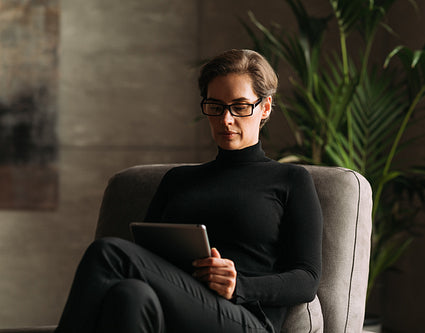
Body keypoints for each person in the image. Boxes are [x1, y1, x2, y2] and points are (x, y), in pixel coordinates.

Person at [55, 49, 323, 333]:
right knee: (130, 295)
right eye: (215, 106)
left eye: (240, 106)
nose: (226, 119)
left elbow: (306, 280)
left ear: (265, 108)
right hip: (177, 308)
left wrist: (239, 284)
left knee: (108, 252)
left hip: (244, 319)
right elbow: (148, 257)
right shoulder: (177, 180)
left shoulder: (291, 180)